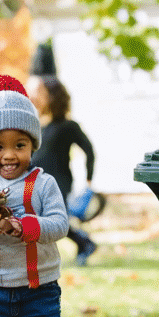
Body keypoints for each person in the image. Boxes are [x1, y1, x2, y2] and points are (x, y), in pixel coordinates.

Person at [0, 74, 70, 317]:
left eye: (20, 145)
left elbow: (60, 224)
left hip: (39, 291)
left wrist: (25, 225)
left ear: (32, 145)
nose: (9, 155)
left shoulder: (43, 184)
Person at [29, 76, 98, 265]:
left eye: (40, 93)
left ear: (52, 96)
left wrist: (89, 179)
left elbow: (89, 150)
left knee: (53, 219)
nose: (34, 97)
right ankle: (85, 243)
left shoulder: (67, 126)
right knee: (50, 219)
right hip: (37, 181)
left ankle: (84, 243)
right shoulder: (38, 126)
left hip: (59, 181)